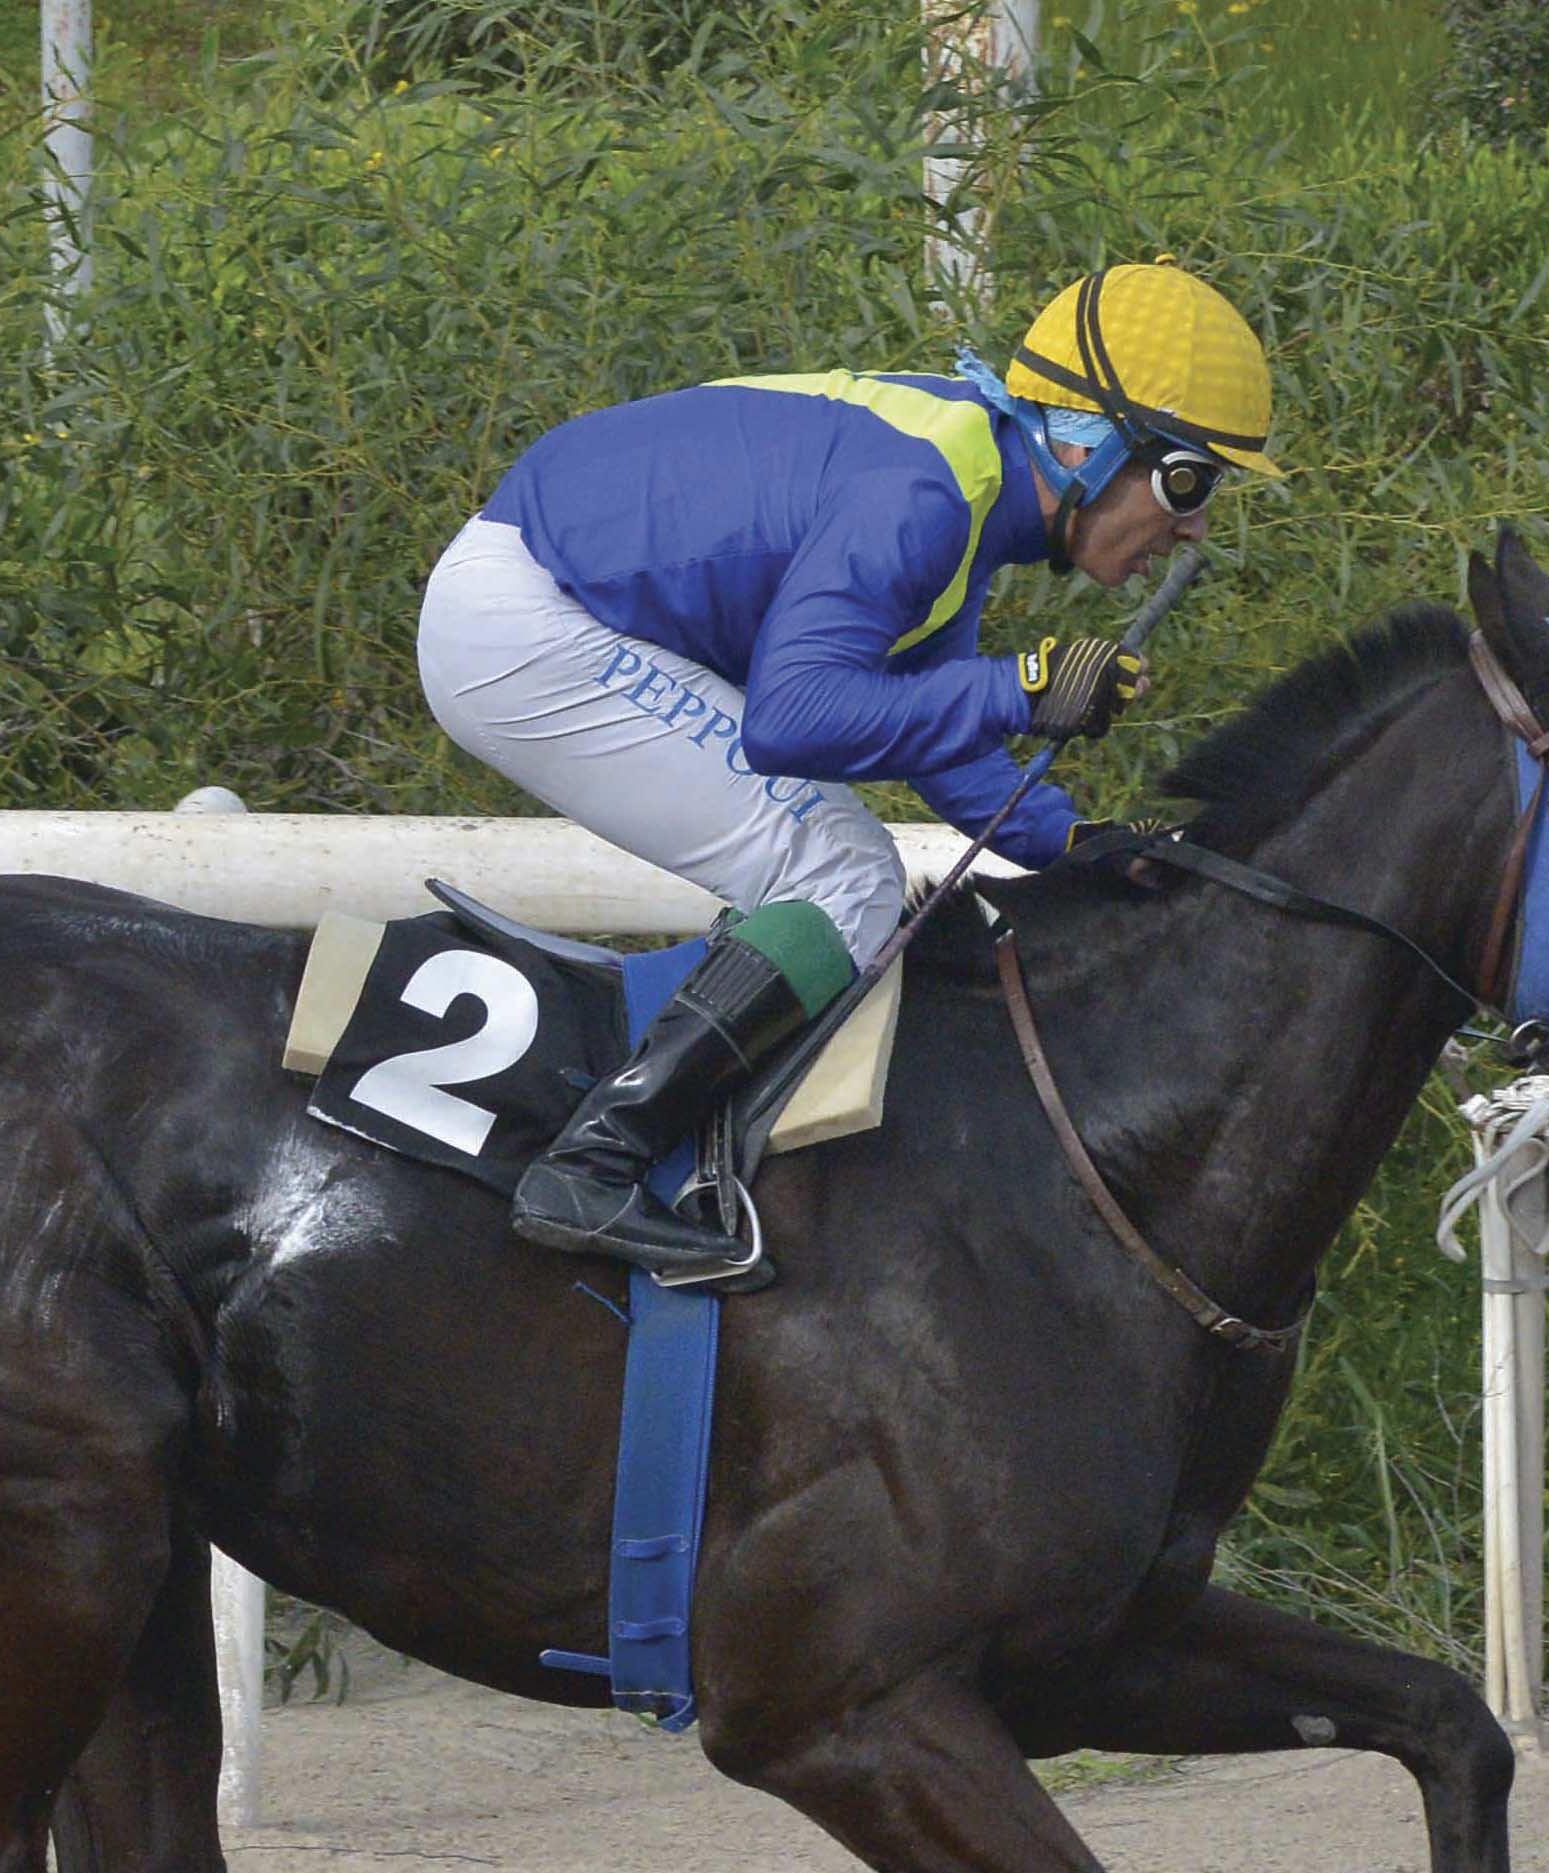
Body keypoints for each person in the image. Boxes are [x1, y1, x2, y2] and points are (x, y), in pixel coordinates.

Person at [415, 262, 1274, 1283]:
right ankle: (593, 1166)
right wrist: (1022, 689)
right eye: (1188, 482)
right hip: (528, 623)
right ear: (1085, 442)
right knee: (843, 872)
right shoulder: (924, 496)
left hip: (540, 595)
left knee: (840, 863)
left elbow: (923, 712)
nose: (1195, 527)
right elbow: (792, 722)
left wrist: (1071, 842)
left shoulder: (969, 479)